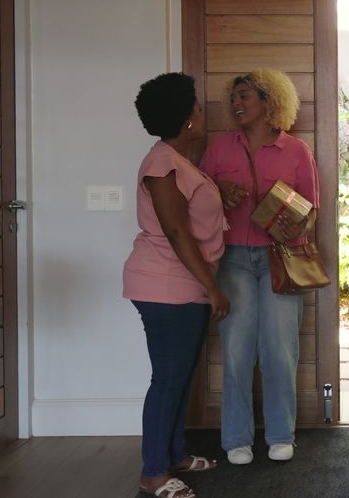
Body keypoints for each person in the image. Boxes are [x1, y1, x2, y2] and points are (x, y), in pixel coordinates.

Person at [199, 68, 319, 465]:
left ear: (270, 103)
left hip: (280, 258)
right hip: (232, 258)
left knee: (279, 350)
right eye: (234, 97)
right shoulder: (218, 149)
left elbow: (311, 211)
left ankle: (281, 434)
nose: (236, 104)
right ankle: (237, 439)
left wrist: (292, 219)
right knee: (236, 350)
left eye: (246, 96)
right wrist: (221, 193)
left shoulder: (297, 151)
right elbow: (197, 202)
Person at [123, 72, 230, 498]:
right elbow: (175, 231)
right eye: (198, 107)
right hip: (166, 285)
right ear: (187, 119)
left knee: (180, 374)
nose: (203, 113)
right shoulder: (162, 163)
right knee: (168, 377)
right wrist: (212, 286)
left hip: (180, 285)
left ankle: (175, 455)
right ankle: (152, 473)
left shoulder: (178, 160)